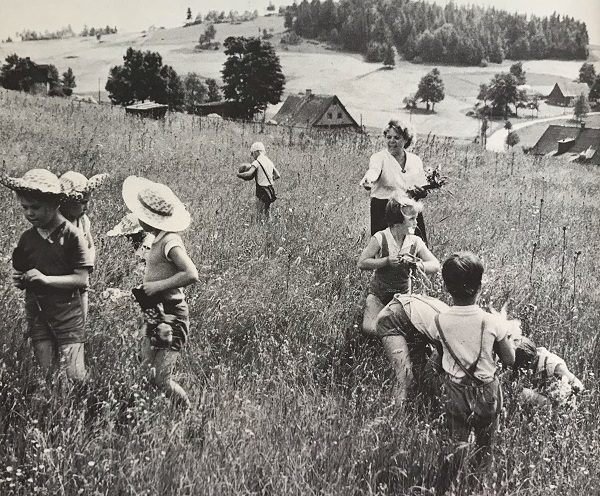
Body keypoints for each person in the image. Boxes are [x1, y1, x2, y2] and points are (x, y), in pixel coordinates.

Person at [431, 252, 515, 495]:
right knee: (485, 446)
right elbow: (508, 359)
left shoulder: (440, 319)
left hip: (454, 391)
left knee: (453, 447)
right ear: (481, 285)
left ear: (446, 287)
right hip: (486, 391)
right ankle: (476, 487)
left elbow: (441, 356)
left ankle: (445, 488)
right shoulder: (492, 322)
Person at [1, 169, 93, 381]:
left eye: (35, 207)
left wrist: (45, 280)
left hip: (67, 315)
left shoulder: (72, 235)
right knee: (49, 375)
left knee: (75, 375)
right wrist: (20, 280)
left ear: (54, 204)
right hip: (38, 313)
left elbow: (81, 279)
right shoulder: (27, 238)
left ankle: (92, 404)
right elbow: (22, 272)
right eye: (24, 207)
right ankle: (57, 407)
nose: (29, 213)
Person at [122, 176, 199, 408]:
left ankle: (188, 413)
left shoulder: (171, 242)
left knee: (161, 378)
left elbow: (191, 274)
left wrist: (157, 286)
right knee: (145, 370)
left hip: (172, 315)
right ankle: (141, 412)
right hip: (155, 311)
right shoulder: (156, 239)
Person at [357, 197, 440, 336]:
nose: (416, 222)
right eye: (412, 219)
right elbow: (362, 262)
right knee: (369, 329)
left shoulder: (415, 241)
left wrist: (416, 265)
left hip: (402, 297)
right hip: (379, 295)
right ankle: (389, 328)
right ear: (397, 221)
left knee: (410, 331)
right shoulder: (381, 238)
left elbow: (435, 265)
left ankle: (392, 330)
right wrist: (386, 261)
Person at [360, 118, 429, 241]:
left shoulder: (415, 160)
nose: (391, 141)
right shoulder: (379, 157)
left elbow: (421, 187)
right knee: (386, 248)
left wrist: (422, 192)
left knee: (416, 247)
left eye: (396, 138)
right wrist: (368, 179)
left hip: (409, 209)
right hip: (383, 209)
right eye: (388, 137)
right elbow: (373, 171)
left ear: (406, 139)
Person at [375, 293, 449, 403]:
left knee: (417, 370)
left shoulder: (457, 329)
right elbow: (430, 372)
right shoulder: (452, 339)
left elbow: (429, 372)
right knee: (404, 378)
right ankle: (393, 416)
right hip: (393, 318)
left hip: (408, 311)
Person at [59, 171, 110, 322]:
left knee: (80, 321)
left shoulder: (83, 221)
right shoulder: (59, 224)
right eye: (82, 202)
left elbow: (90, 245)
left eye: (87, 202)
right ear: (66, 202)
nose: (86, 207)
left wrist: (89, 262)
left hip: (81, 282)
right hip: (63, 281)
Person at [512, 336, 584, 407]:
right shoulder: (535, 358)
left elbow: (578, 385)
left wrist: (564, 393)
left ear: (530, 361)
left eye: (524, 366)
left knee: (523, 393)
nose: (524, 369)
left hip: (557, 403)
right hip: (545, 395)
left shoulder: (552, 365)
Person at [236, 141, 280, 220]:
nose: (252, 156)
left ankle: (259, 227)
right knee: (267, 211)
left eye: (252, 153)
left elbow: (249, 174)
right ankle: (269, 226)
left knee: (259, 212)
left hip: (261, 189)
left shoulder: (256, 162)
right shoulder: (269, 162)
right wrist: (268, 179)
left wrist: (239, 174)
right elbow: (277, 175)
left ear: (257, 152)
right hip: (270, 189)